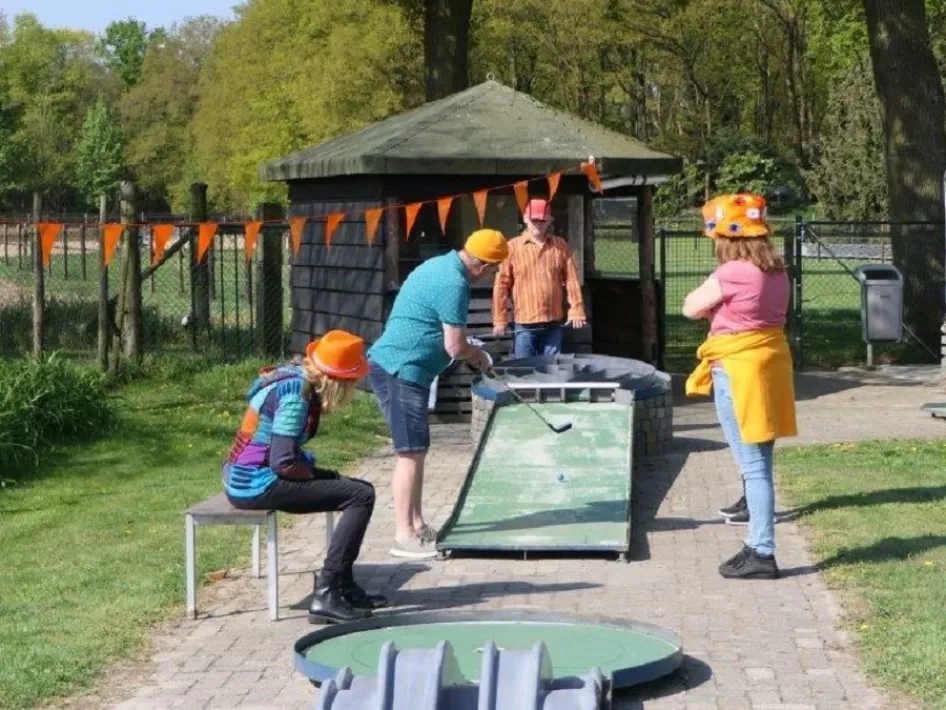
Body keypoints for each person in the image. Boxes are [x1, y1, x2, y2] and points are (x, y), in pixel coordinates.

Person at [222, 329, 386, 624]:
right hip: (255, 483)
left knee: (357, 488)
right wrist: (319, 474)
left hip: (246, 475)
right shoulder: (296, 395)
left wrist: (327, 475)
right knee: (361, 496)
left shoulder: (295, 378)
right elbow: (284, 463)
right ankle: (327, 592)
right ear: (339, 380)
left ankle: (343, 587)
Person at [368, 229, 509, 559]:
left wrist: (469, 348)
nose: (492, 274)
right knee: (409, 452)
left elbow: (448, 334)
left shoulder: (441, 266)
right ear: (484, 266)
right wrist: (480, 358)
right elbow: (454, 346)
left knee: (417, 450)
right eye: (495, 267)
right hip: (400, 369)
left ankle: (417, 525)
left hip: (405, 369)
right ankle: (403, 535)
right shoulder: (454, 283)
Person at [682, 193, 797, 580]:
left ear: (728, 238)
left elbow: (689, 307)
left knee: (753, 468)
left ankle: (761, 550)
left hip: (738, 370)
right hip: (770, 366)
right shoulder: (778, 271)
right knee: (761, 462)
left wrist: (715, 306)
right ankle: (757, 544)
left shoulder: (733, 273)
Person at [491, 198, 586, 358]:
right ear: (525, 219)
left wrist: (576, 309)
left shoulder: (560, 245)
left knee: (551, 370)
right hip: (524, 322)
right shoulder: (512, 247)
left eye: (542, 220)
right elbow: (501, 286)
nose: (538, 223)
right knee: (522, 370)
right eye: (534, 219)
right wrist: (500, 319)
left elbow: (571, 279)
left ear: (549, 220)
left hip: (553, 322)